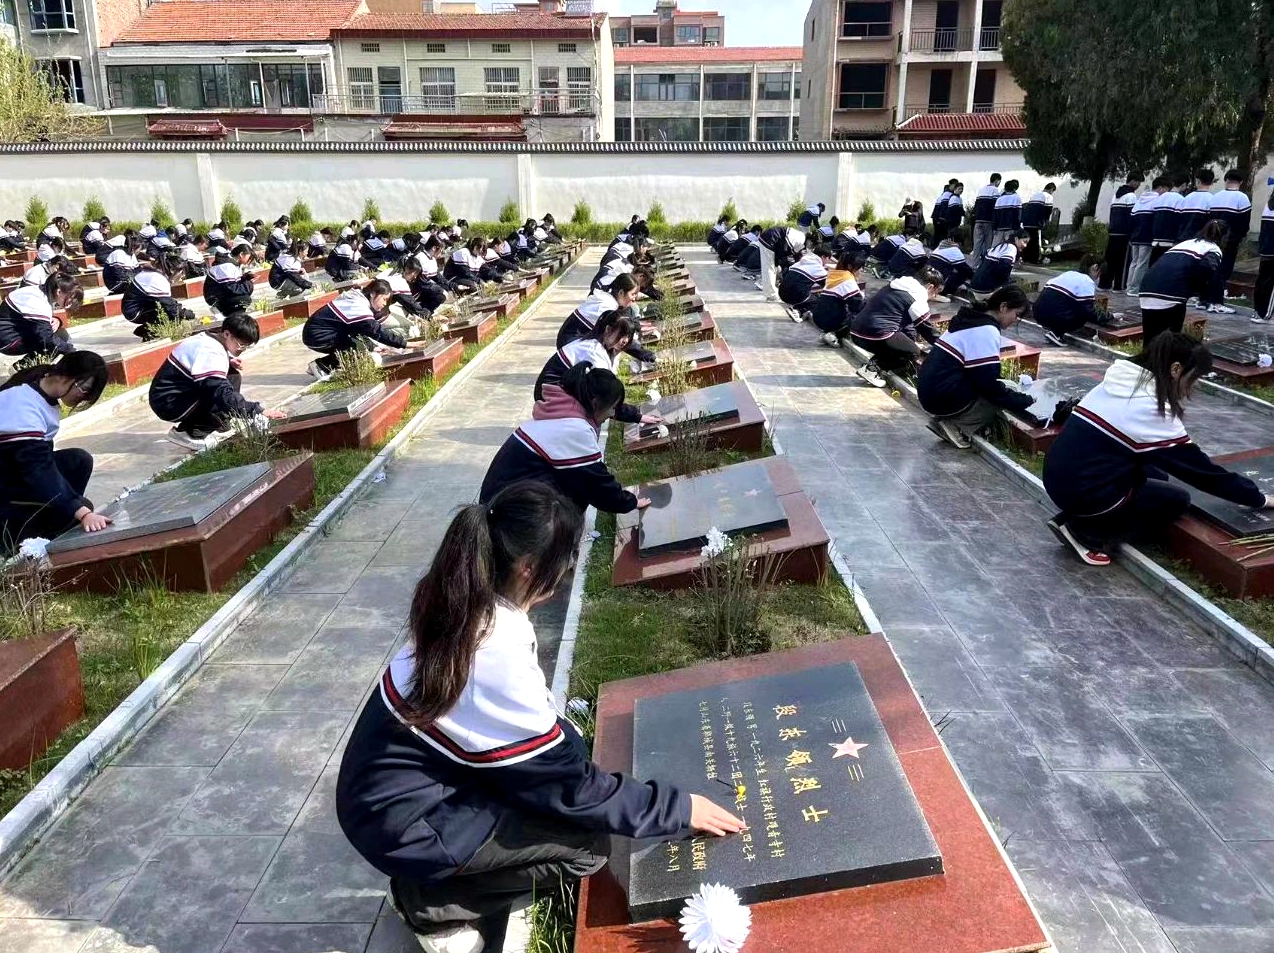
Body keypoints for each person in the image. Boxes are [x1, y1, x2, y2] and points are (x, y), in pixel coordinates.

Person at [336, 480, 743, 953]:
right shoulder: (491, 650)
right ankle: (429, 902)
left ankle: (437, 875)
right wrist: (677, 809)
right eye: (565, 561)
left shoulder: (468, 602)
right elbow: (571, 790)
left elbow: (543, 748)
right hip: (405, 822)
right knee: (586, 847)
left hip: (399, 795)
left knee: (558, 785)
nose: (567, 571)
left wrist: (569, 750)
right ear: (530, 567)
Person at [1042, 333, 1273, 566]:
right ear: (1176, 369)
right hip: (1081, 489)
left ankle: (1076, 515)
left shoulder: (1121, 381)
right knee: (1176, 500)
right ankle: (1088, 533)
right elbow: (1203, 473)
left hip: (1059, 475)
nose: (1196, 386)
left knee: (1158, 474)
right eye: (1194, 378)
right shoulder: (1149, 408)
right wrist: (1259, 498)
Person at [481, 362, 648, 516]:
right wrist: (630, 502)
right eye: (612, 408)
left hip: (497, 502)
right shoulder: (573, 428)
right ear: (595, 403)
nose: (612, 414)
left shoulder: (561, 412)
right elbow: (597, 486)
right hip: (507, 517)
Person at [0, 352, 111, 552]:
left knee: (78, 460)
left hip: (14, 475)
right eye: (84, 389)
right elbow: (37, 469)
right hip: (6, 489)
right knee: (81, 507)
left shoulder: (38, 386)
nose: (83, 396)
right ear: (67, 377)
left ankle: (55, 519)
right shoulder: (21, 406)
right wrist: (82, 512)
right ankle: (21, 539)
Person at [917, 285, 1035, 448]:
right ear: (1003, 307)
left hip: (929, 392)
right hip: (940, 397)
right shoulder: (986, 330)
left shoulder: (970, 321)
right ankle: (958, 427)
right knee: (994, 398)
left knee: (997, 386)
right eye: (1017, 314)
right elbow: (988, 384)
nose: (1015, 320)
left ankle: (944, 420)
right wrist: (1021, 401)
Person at [149, 312, 284, 451]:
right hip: (169, 402)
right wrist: (257, 410)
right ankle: (190, 434)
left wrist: (228, 360)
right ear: (226, 334)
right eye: (241, 345)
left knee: (232, 376)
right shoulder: (210, 350)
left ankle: (216, 425)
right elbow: (221, 392)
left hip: (174, 394)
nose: (242, 350)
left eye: (246, 346)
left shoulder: (209, 339)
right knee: (220, 394)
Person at [533, 312, 656, 429]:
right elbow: (606, 397)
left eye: (628, 336)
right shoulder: (594, 353)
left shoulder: (595, 342)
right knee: (592, 416)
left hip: (552, 391)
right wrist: (637, 416)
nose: (625, 340)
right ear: (608, 329)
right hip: (550, 395)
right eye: (622, 335)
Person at [849, 267, 943, 385]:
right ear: (930, 287)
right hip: (876, 335)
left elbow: (906, 325)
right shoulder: (917, 298)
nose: (934, 296)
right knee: (912, 352)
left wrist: (910, 341)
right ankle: (872, 370)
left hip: (855, 331)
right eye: (937, 292)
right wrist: (945, 346)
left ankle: (872, 367)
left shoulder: (895, 285)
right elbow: (928, 330)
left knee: (901, 346)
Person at [1139, 220, 1227, 344]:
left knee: (1150, 341)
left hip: (1147, 289)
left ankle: (1148, 355)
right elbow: (1206, 269)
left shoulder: (1186, 243)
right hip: (1172, 294)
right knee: (1169, 341)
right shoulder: (1213, 249)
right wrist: (1197, 291)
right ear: (1224, 237)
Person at [302, 280, 403, 379]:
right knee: (359, 352)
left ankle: (322, 366)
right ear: (373, 294)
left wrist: (373, 347)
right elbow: (376, 331)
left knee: (360, 347)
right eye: (384, 299)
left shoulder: (357, 298)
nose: (385, 304)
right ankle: (321, 366)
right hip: (317, 336)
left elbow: (359, 331)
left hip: (319, 333)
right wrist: (404, 343)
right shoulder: (357, 305)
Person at [0, 274, 82, 359]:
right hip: (8, 342)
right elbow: (46, 337)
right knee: (58, 339)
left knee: (57, 337)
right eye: (71, 298)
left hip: (12, 334)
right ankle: (25, 365)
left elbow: (33, 320)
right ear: (59, 292)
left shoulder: (39, 292)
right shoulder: (38, 301)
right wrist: (73, 352)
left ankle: (27, 364)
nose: (71, 303)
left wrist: (58, 321)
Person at [1207, 169, 1253, 315]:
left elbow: (1208, 219)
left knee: (1212, 269)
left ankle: (1206, 300)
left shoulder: (1215, 197)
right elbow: (1244, 223)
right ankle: (1216, 303)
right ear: (1241, 182)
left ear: (1226, 180)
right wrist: (1239, 237)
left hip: (1212, 239)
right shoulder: (1242, 198)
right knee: (1223, 271)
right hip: (1230, 241)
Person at [556, 274, 639, 348]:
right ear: (621, 292)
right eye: (633, 294)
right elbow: (616, 336)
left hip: (571, 340)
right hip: (570, 343)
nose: (634, 299)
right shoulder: (606, 306)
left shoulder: (607, 298)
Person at [1035, 256, 1103, 345]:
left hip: (1038, 313)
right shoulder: (1087, 281)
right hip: (1053, 316)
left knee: (1068, 304)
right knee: (1081, 314)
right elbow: (1089, 311)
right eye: (1100, 273)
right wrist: (1109, 317)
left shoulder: (1068, 273)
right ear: (1095, 267)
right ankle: (1057, 334)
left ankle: (1054, 331)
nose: (1099, 277)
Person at [814, 248, 869, 347]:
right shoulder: (847, 280)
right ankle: (836, 334)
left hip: (818, 318)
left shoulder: (835, 275)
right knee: (862, 312)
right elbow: (857, 305)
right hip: (831, 320)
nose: (862, 270)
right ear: (850, 266)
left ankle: (828, 332)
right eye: (860, 267)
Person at [123, 264, 192, 341]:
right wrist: (184, 314)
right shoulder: (157, 279)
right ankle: (149, 331)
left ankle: (147, 328)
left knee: (173, 311)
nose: (182, 277)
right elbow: (170, 308)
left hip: (136, 306)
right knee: (172, 315)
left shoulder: (154, 274)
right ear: (173, 271)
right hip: (134, 311)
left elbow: (168, 302)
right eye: (182, 273)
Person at [1100, 175, 1142, 291]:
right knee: (1122, 262)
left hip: (1113, 232)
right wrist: (1132, 233)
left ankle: (1104, 284)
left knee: (1110, 260)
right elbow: (1131, 216)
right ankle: (1119, 286)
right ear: (1133, 181)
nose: (1139, 185)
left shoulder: (1115, 195)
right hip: (1124, 234)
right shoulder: (1131, 196)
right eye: (1138, 182)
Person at [1126, 176, 1166, 295]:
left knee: (1134, 262)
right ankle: (1135, 289)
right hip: (1147, 237)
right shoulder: (1157, 201)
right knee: (1142, 263)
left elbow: (1131, 220)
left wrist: (1131, 236)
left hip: (1135, 236)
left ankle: (1129, 287)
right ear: (1160, 188)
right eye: (1165, 189)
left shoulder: (1140, 200)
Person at [778, 244, 831, 319]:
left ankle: (795, 307)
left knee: (808, 289)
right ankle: (798, 312)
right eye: (828, 259)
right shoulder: (817, 267)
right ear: (823, 257)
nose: (828, 262)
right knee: (820, 302)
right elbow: (828, 284)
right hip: (793, 295)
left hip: (781, 292)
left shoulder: (800, 263)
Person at [1149, 172, 1190, 268]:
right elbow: (1179, 221)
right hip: (1170, 241)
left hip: (1155, 241)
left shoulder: (1160, 198)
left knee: (1154, 268)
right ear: (1184, 184)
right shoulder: (1180, 199)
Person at [203, 242, 257, 315]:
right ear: (241, 254)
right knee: (244, 299)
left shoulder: (231, 263)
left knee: (244, 296)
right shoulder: (226, 266)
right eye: (248, 258)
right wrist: (249, 283)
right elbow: (232, 288)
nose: (248, 261)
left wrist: (245, 278)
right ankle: (219, 309)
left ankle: (231, 314)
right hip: (214, 297)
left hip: (221, 294)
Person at [969, 231, 1028, 295]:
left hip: (975, 285)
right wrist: (1007, 281)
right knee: (1016, 289)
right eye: (1024, 242)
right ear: (1016, 239)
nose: (1025, 246)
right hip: (986, 289)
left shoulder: (1001, 246)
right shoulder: (1011, 248)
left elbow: (984, 257)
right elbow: (1004, 266)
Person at [757, 226, 807, 302]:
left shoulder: (801, 239)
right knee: (769, 267)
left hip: (770, 239)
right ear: (810, 241)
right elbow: (785, 248)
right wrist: (781, 260)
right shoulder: (800, 239)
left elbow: (793, 254)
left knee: (773, 267)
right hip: (770, 239)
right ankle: (772, 295)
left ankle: (765, 285)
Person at [929, 227, 973, 299]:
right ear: (960, 241)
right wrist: (977, 277)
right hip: (937, 286)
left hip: (927, 282)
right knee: (961, 274)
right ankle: (946, 291)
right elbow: (966, 270)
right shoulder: (955, 251)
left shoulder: (939, 246)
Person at [971, 174, 1002, 266]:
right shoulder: (995, 190)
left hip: (978, 220)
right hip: (988, 220)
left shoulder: (981, 190)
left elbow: (976, 206)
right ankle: (985, 265)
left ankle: (974, 265)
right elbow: (996, 206)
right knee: (988, 245)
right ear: (997, 180)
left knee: (977, 244)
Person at [1020, 183, 1055, 264]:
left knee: (1027, 240)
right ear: (1051, 189)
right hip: (1036, 222)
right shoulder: (1048, 196)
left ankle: (1025, 258)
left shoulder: (1035, 195)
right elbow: (1048, 210)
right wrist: (1044, 221)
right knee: (1035, 241)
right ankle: (1034, 259)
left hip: (1027, 221)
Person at [1254, 191, 1274, 324]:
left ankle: (1258, 311)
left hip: (1266, 250)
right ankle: (1265, 315)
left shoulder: (1268, 205)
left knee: (1262, 281)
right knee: (1270, 285)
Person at [1178, 170, 1215, 240]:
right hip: (1201, 240)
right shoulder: (1212, 199)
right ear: (1212, 182)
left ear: (1198, 181)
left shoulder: (1186, 198)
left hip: (1184, 239)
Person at [992, 179, 1022, 246]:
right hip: (1011, 228)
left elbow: (996, 216)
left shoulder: (999, 199)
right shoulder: (1017, 198)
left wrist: (994, 228)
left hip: (999, 228)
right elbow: (1018, 215)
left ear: (1005, 188)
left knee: (995, 247)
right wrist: (1017, 228)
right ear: (1014, 189)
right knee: (1009, 247)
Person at [931, 180, 957, 244]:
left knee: (938, 234)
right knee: (942, 235)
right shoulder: (947, 194)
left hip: (936, 216)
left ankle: (934, 247)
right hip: (940, 217)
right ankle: (937, 248)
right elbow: (944, 206)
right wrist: (942, 218)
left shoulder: (943, 194)